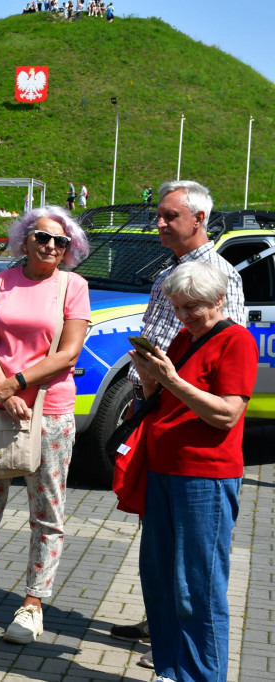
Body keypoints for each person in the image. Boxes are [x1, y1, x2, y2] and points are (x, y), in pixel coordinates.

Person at [113, 180, 245, 668]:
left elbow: (223, 373)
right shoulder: (170, 271)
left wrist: (166, 380)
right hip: (160, 424)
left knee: (197, 575)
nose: (159, 223)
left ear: (199, 220)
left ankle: (195, 661)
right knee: (164, 564)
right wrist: (147, 391)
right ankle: (169, 648)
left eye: (170, 216)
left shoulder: (216, 279)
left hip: (200, 455)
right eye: (160, 215)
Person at [0, 206, 91, 644]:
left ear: (69, 249)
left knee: (46, 514)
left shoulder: (73, 286)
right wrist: (1, 391)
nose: (50, 246)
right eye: (42, 237)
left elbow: (68, 354)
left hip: (50, 412)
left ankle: (32, 605)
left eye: (60, 241)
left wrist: (16, 385)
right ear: (25, 239)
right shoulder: (1, 283)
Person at [129, 261, 256, 682]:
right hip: (164, 471)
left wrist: (172, 380)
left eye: (192, 308)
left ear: (219, 299)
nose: (183, 317)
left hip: (206, 477)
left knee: (196, 586)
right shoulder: (185, 337)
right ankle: (170, 668)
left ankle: (203, 675)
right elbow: (164, 403)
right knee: (160, 577)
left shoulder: (237, 341)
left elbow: (226, 415)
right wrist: (151, 380)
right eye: (178, 307)